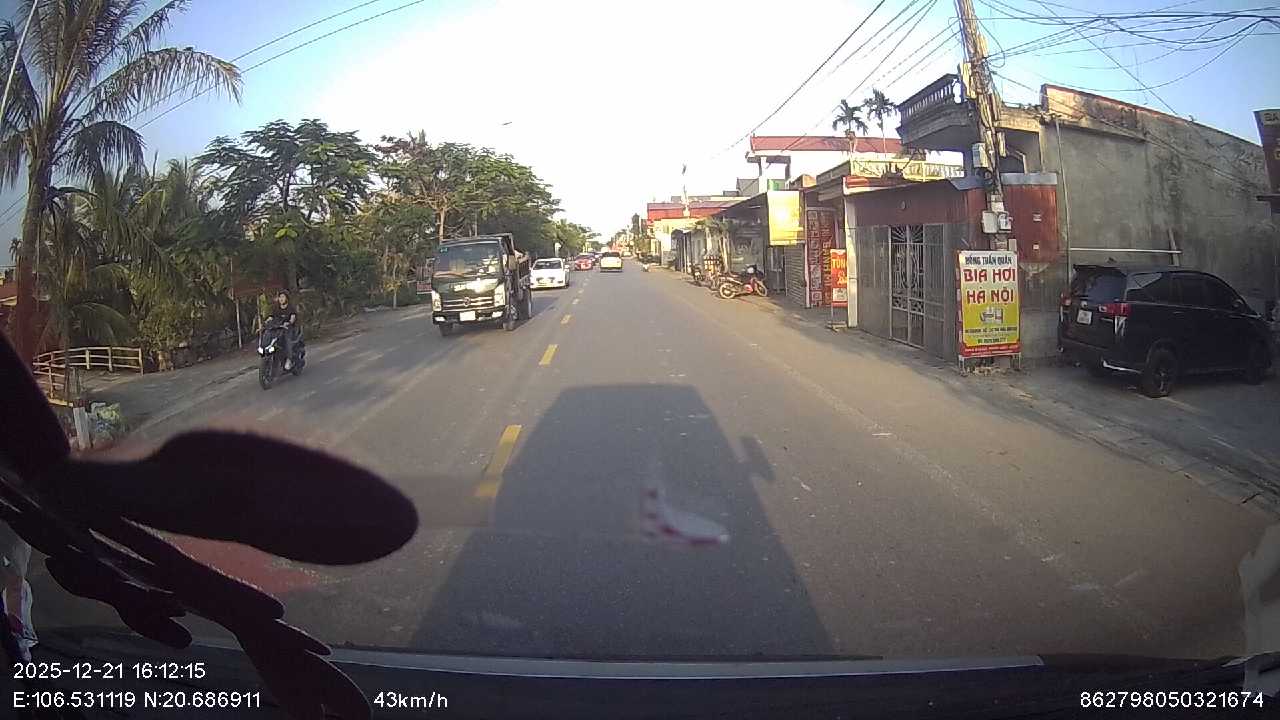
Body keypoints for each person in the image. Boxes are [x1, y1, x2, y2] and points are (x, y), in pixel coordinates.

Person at [270, 290, 299, 370]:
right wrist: (267, 321)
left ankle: (289, 359)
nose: (281, 299)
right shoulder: (276, 308)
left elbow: (293, 318)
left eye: (283, 297)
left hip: (288, 329)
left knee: (287, 340)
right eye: (280, 297)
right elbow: (271, 316)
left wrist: (289, 322)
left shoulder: (290, 308)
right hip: (278, 328)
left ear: (287, 298)